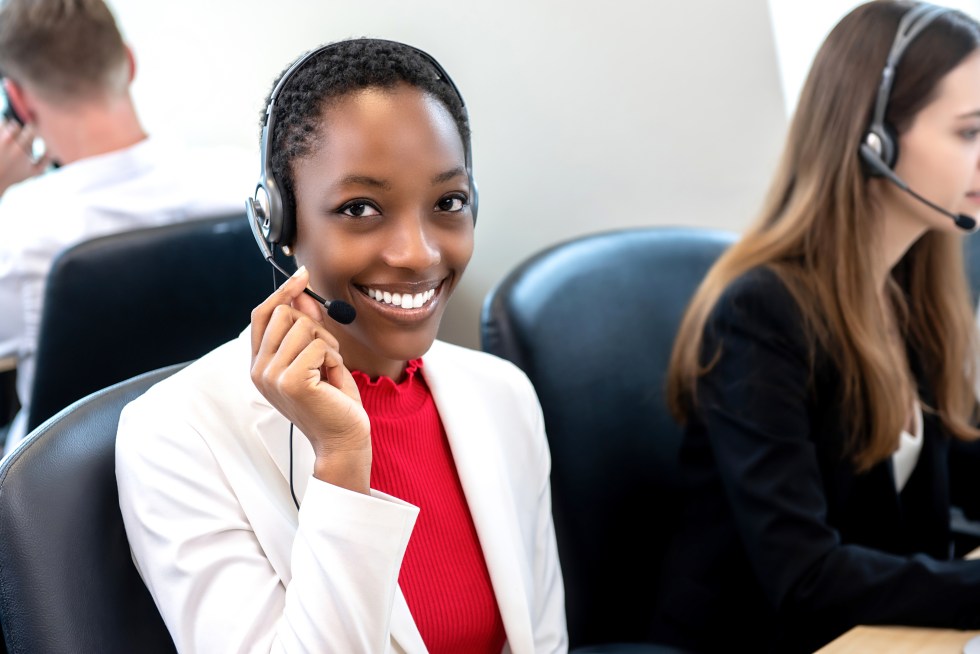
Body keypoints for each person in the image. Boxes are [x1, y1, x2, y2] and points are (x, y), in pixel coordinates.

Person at [116, 38, 567, 653]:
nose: (418, 253)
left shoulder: (501, 395)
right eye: (360, 208)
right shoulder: (175, 435)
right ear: (278, 224)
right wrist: (341, 459)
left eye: (448, 203)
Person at [655, 2, 980, 652]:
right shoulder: (761, 314)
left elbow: (963, 468)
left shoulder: (910, 289)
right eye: (970, 131)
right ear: (875, 139)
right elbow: (805, 576)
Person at [0, 0, 252, 454]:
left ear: (17, 100)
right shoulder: (244, 181)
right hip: (218, 460)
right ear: (129, 62)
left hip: (61, 486)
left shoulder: (20, 227)